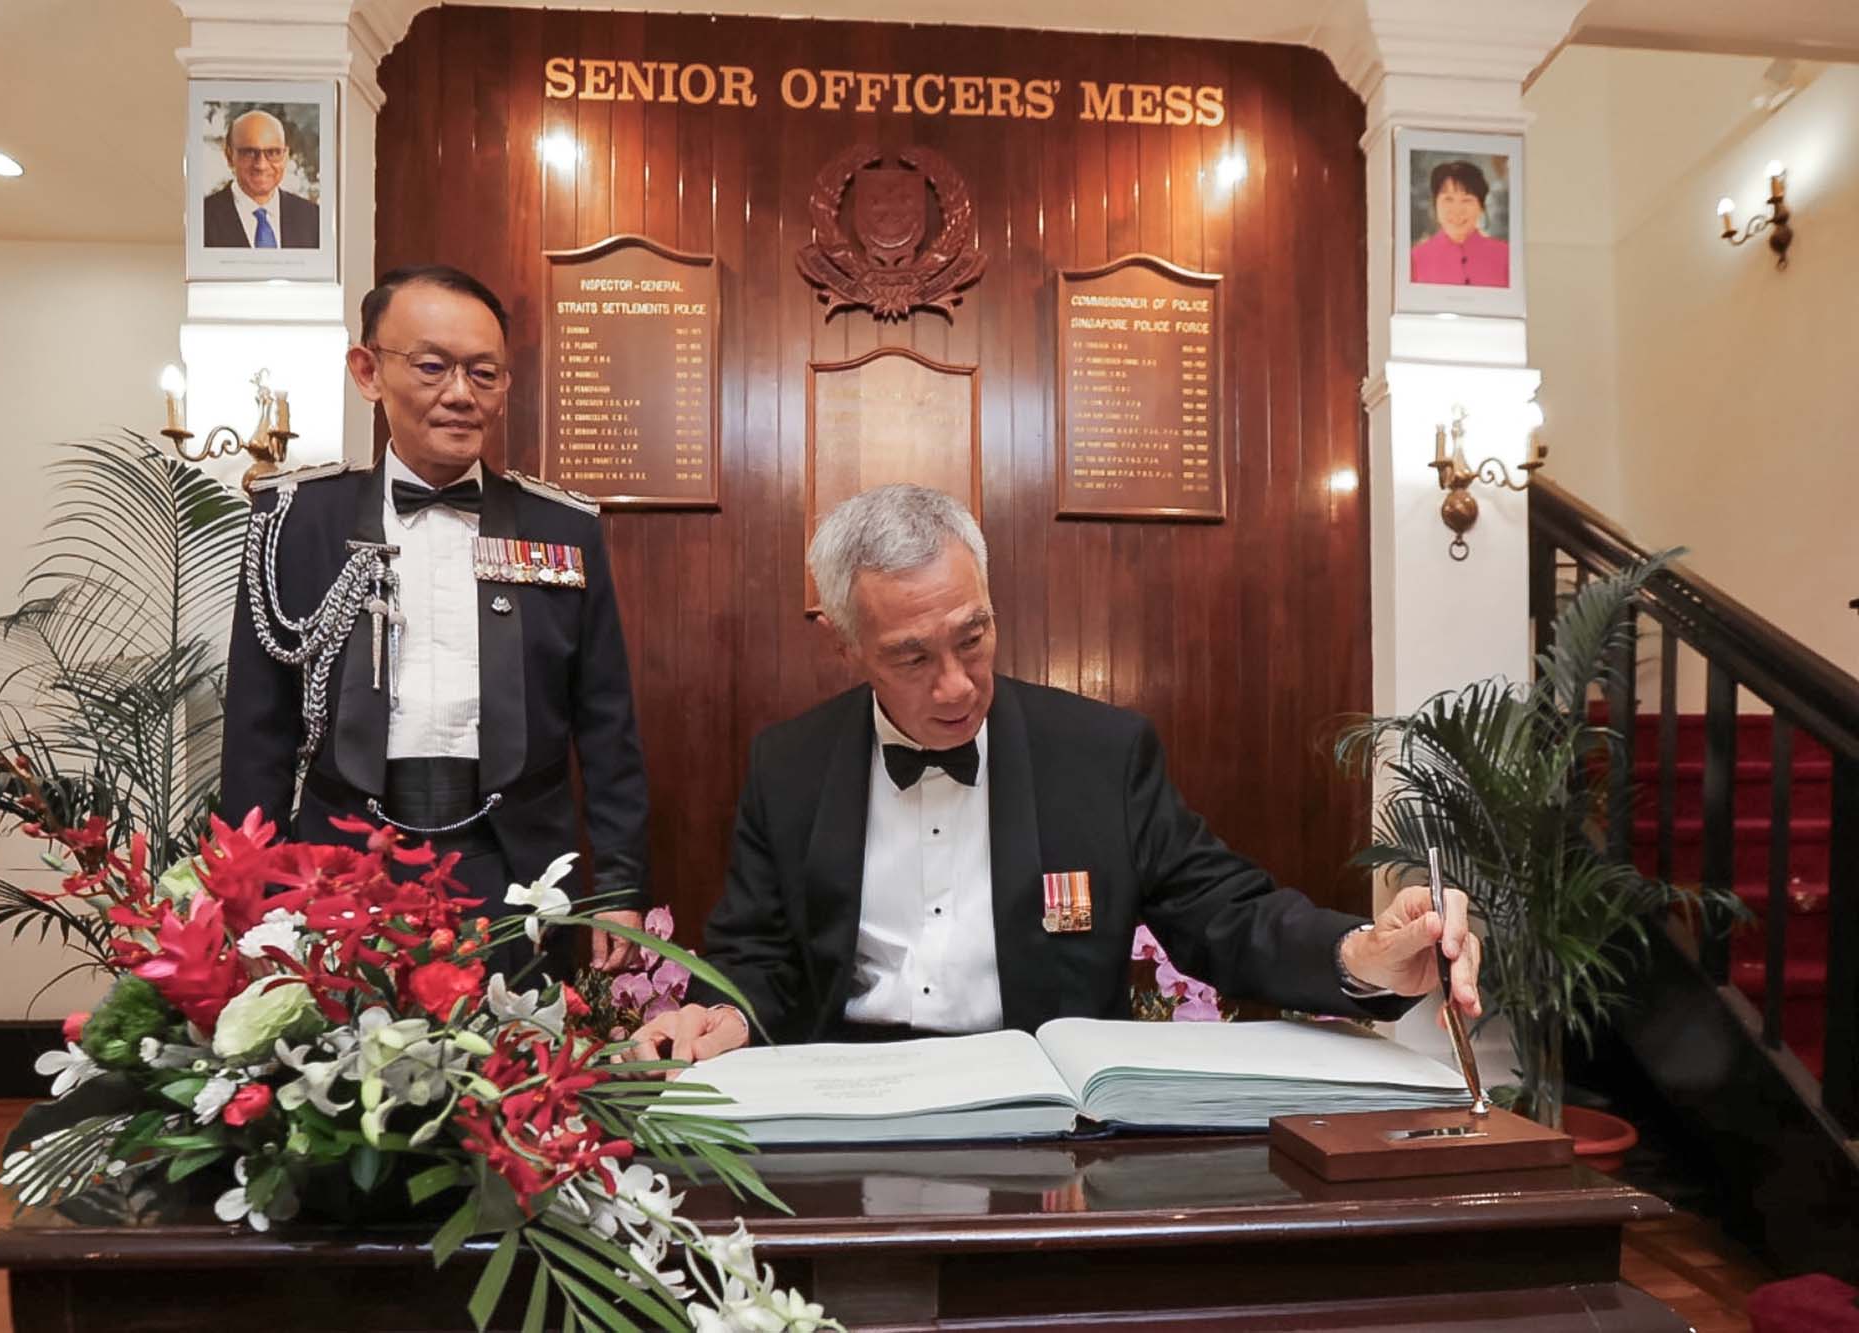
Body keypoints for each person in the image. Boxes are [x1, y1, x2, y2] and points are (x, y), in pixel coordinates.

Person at [632, 484, 1482, 1065]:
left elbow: (1226, 913)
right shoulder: (790, 765)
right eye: (911, 657)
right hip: (847, 1093)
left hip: (1044, 1102)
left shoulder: (1100, 754)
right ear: (846, 647)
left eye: (973, 636)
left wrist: (1362, 953)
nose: (958, 685)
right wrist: (725, 1016)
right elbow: (760, 956)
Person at [220, 264, 645, 969]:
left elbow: (608, 727)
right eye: (431, 366)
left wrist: (622, 883)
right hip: (342, 865)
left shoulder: (563, 529)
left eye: (483, 373)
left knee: (520, 1072)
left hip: (519, 868)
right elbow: (258, 730)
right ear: (368, 370)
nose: (459, 394)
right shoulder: (295, 523)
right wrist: (248, 897)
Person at [201, 109, 322, 250]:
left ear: (285, 156)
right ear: (229, 156)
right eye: (250, 152)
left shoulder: (313, 218)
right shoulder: (202, 218)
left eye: (273, 152)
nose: (261, 165)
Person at [1409, 159, 1509, 287]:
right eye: (1448, 199)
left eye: (1467, 200)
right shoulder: (1415, 258)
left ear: (1481, 207)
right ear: (1435, 205)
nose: (1457, 210)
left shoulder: (1506, 256)